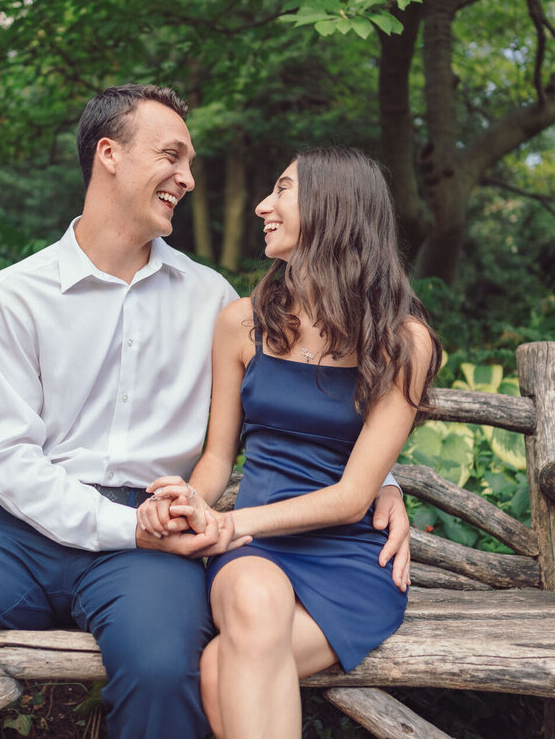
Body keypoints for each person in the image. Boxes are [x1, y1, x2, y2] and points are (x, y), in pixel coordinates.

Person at [0, 86, 412, 739]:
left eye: (190, 161)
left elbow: (291, 402)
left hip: (151, 544)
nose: (188, 177)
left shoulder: (215, 299)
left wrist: (381, 480)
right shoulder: (15, 295)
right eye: (172, 156)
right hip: (19, 533)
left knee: (161, 675)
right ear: (109, 154)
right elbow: (6, 458)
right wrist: (128, 529)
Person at [137, 146, 440, 738]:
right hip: (254, 548)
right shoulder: (240, 323)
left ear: (334, 209)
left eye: (282, 190)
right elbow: (219, 456)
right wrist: (200, 505)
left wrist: (237, 522)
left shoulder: (403, 341)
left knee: (218, 666)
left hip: (351, 554)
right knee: (252, 600)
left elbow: (355, 495)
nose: (262, 206)